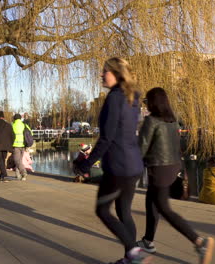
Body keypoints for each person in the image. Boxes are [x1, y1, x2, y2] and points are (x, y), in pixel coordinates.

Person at [74, 57, 150, 264]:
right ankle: (130, 257)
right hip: (134, 164)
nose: (101, 74)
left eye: (105, 71)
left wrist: (85, 164)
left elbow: (107, 138)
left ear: (116, 74)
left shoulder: (115, 98)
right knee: (124, 210)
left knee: (102, 209)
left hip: (118, 166)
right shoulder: (132, 96)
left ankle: (135, 253)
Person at [137, 87, 215, 264]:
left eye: (147, 101)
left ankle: (199, 242)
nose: (146, 105)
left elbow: (140, 149)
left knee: (164, 208)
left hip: (159, 169)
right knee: (151, 202)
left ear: (153, 103)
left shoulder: (151, 121)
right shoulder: (173, 121)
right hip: (173, 167)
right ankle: (148, 241)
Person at [12, 114, 31, 181]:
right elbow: (31, 133)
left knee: (17, 161)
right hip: (23, 145)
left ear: (14, 119)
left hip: (16, 145)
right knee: (19, 161)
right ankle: (18, 175)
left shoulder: (13, 125)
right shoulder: (24, 125)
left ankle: (23, 172)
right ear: (20, 118)